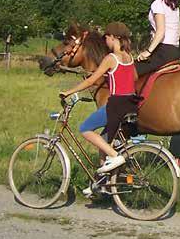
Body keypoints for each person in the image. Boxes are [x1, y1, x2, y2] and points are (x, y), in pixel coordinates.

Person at [59, 22, 138, 176]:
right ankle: (102, 181)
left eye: (107, 37)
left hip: (115, 105)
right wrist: (114, 75)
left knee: (85, 129)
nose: (105, 42)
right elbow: (134, 77)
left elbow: (90, 80)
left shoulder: (111, 58)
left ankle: (115, 157)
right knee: (103, 140)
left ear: (114, 38)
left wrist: (69, 92)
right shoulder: (129, 57)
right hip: (130, 103)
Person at [135, 0, 180, 162]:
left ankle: (129, 116)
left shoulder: (157, 4)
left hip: (161, 51)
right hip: (175, 52)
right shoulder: (173, 5)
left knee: (130, 72)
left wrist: (147, 52)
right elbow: (178, 33)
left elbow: (160, 32)